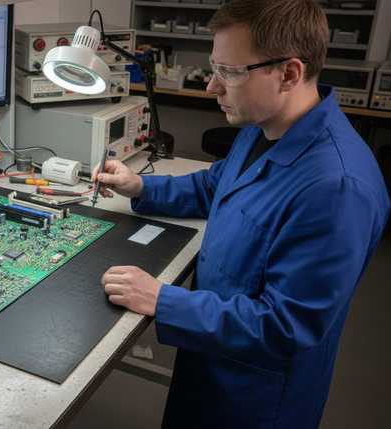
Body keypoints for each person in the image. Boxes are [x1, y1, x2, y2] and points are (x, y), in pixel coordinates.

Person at [92, 0, 390, 427]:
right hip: (211, 359)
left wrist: (164, 300)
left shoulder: (337, 188)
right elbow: (217, 185)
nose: (212, 87)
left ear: (289, 74)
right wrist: (140, 186)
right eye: (214, 69)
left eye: (229, 72)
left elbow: (286, 326)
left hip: (255, 399)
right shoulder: (263, 127)